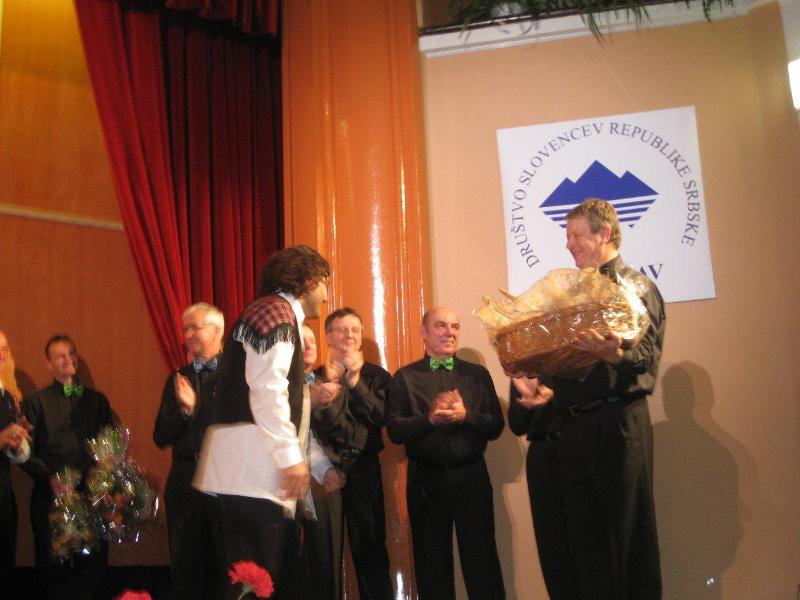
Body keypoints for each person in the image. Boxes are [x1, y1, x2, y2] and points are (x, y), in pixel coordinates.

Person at [508, 198, 666, 600]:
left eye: (576, 235)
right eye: (567, 236)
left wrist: (614, 355)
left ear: (604, 234)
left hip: (618, 426)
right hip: (574, 430)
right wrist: (541, 386)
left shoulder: (636, 288)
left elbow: (646, 356)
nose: (569, 244)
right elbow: (566, 363)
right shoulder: (572, 294)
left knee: (624, 540)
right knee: (585, 548)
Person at [193, 245, 343, 600]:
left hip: (253, 471)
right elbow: (268, 391)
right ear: (307, 280)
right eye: (324, 283)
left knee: (268, 580)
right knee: (254, 581)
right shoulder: (275, 313)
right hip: (252, 473)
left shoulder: (273, 312)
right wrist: (291, 460)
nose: (325, 295)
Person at [386, 306, 506, 600]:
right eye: (441, 325)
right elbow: (395, 431)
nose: (450, 332)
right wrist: (428, 419)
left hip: (472, 478)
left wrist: (466, 417)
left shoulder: (478, 375)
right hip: (425, 481)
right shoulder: (404, 378)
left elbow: (495, 426)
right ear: (423, 333)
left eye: (455, 326)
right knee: (431, 565)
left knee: (482, 562)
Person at [310, 308, 394, 600]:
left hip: (363, 467)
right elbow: (311, 427)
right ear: (328, 336)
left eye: (355, 330)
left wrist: (356, 382)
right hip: (324, 471)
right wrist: (330, 389)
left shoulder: (377, 376)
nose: (349, 336)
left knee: (371, 550)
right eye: (341, 330)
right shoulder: (314, 378)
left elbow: (382, 417)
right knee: (323, 553)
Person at [21, 334, 113, 600]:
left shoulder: (97, 401)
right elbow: (25, 453)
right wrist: (50, 478)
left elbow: (108, 444)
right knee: (51, 566)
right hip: (50, 495)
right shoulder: (35, 403)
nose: (68, 359)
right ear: (48, 364)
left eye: (71, 353)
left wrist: (103, 473)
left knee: (92, 565)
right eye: (60, 356)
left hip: (91, 495)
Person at [153, 302, 225, 600]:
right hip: (185, 478)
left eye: (196, 327)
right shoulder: (178, 378)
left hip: (224, 478)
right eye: (186, 329)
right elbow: (160, 436)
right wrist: (184, 412)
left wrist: (197, 408)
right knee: (186, 566)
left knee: (223, 563)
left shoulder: (236, 376)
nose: (189, 334)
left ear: (217, 330)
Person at [0, 330, 31, 600]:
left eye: (5, 348)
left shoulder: (9, 397)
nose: (2, 353)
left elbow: (15, 455)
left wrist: (17, 443)